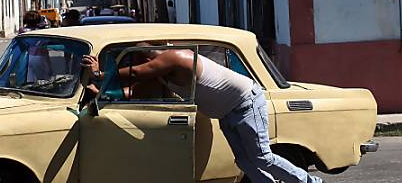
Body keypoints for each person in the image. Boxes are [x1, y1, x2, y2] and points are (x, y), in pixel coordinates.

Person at [82, 48, 321, 183]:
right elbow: (131, 91)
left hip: (246, 103)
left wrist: (100, 74)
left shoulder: (176, 58)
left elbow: (134, 75)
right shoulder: (161, 73)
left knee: (261, 158)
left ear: (145, 56)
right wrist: (100, 91)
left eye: (133, 60)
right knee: (245, 162)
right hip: (227, 111)